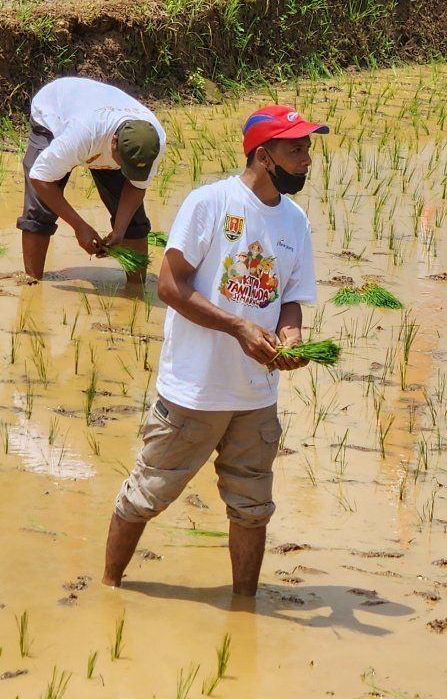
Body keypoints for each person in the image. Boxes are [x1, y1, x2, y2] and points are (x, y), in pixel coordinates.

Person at [101, 105, 328, 597]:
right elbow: (169, 286)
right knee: (146, 495)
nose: (307, 158)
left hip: (255, 396)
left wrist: (290, 340)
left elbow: (290, 299)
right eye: (297, 149)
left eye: (308, 147)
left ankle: (244, 605)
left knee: (252, 508)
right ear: (264, 157)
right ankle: (107, 586)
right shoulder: (211, 204)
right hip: (193, 392)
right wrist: (237, 327)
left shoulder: (296, 223)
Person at [18, 77, 166, 283]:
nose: (126, 171)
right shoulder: (82, 135)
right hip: (54, 112)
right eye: (123, 164)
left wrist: (120, 230)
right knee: (40, 208)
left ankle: (136, 288)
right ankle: (31, 282)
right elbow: (40, 178)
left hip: (97, 123)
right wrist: (79, 226)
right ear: (114, 143)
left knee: (134, 219)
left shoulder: (151, 143)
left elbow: (135, 186)